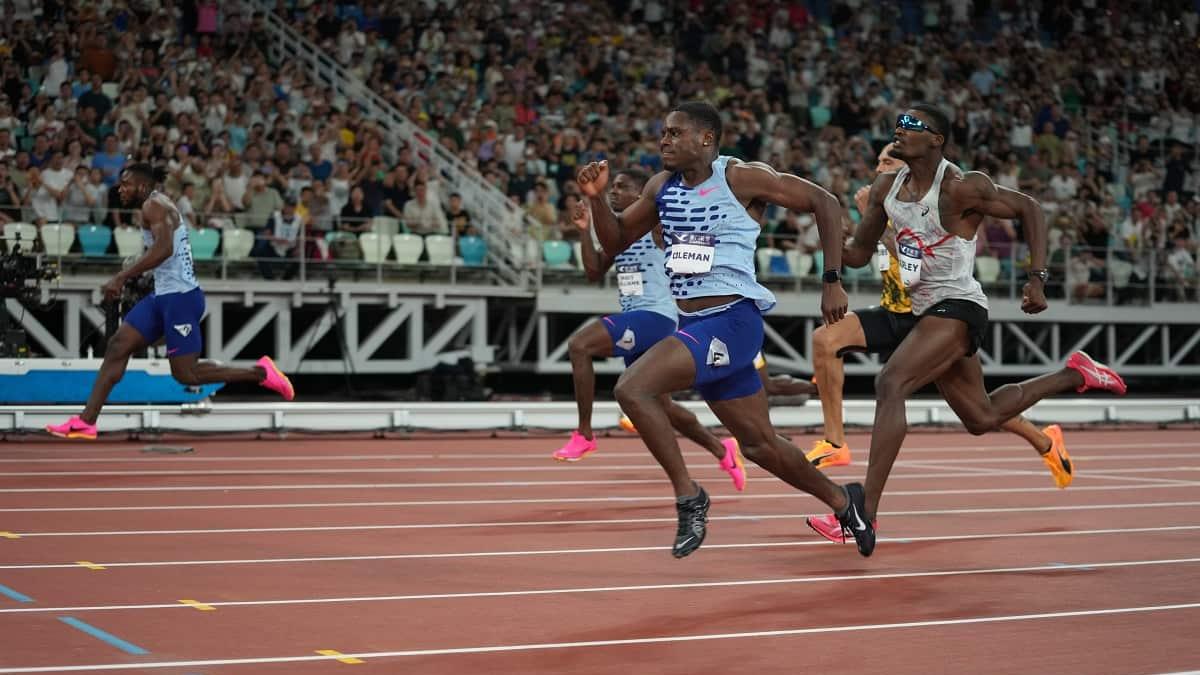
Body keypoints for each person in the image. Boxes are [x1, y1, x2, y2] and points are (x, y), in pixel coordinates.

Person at [804, 106, 1126, 556]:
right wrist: (829, 232)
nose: (902, 128)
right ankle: (1075, 373)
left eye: (914, 125)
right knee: (981, 417)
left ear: (937, 139)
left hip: (960, 308)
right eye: (899, 123)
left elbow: (1030, 208)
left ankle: (864, 511)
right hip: (924, 312)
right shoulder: (886, 188)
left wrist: (1036, 277)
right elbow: (859, 251)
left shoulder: (961, 186)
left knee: (890, 383)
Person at [577, 101, 872, 559]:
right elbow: (615, 240)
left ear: (706, 140)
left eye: (675, 134)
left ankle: (689, 496)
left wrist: (831, 281)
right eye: (663, 134)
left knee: (633, 389)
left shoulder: (739, 178)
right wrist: (597, 199)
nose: (665, 141)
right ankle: (844, 501)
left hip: (732, 320)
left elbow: (825, 202)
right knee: (760, 445)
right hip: (695, 323)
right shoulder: (661, 188)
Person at [805, 143, 1072, 493]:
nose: (878, 168)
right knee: (826, 339)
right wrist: (836, 232)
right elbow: (859, 253)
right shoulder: (884, 200)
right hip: (895, 312)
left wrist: (880, 222)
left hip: (939, 317)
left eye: (887, 161)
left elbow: (915, 258)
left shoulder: (932, 204)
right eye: (878, 161)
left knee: (978, 411)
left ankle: (1046, 440)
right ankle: (835, 442)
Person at [46, 164, 295, 440]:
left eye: (126, 184)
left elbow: (164, 250)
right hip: (162, 296)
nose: (120, 189)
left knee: (185, 375)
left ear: (142, 187)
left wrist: (121, 277)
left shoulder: (155, 205)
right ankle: (86, 422)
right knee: (118, 345)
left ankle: (261, 372)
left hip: (181, 299)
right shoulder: (154, 205)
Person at [555, 168, 746, 492]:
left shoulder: (657, 224)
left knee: (580, 345)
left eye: (622, 187)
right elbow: (593, 271)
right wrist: (585, 230)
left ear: (642, 194)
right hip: (638, 318)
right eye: (612, 187)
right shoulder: (619, 233)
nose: (615, 191)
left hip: (655, 317)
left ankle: (584, 434)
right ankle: (722, 450)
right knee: (663, 406)